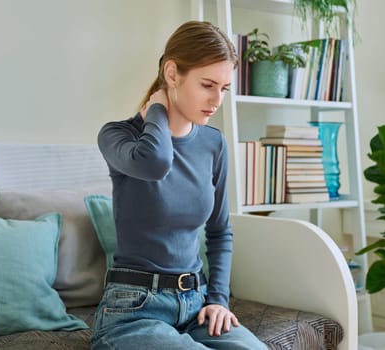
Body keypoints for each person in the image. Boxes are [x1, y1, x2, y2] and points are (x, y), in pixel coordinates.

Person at [91, 20, 267, 350]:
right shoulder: (117, 136)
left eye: (224, 88)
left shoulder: (214, 144)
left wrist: (218, 300)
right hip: (134, 311)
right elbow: (154, 162)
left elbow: (220, 231)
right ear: (172, 74)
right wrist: (158, 106)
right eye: (207, 85)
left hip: (196, 306)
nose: (217, 100)